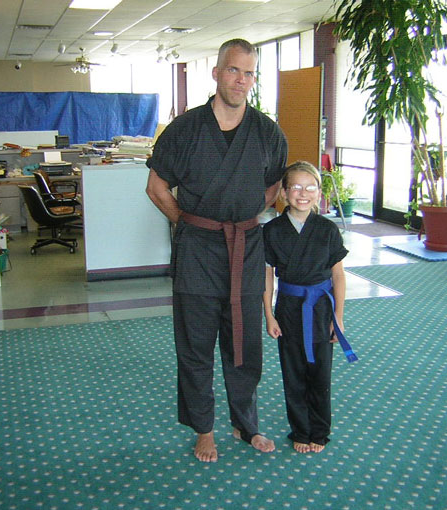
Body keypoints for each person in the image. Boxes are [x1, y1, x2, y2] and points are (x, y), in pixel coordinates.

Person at [145, 39, 288, 463]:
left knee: (245, 343)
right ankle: (203, 429)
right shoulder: (185, 129)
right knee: (195, 344)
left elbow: (273, 187)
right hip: (197, 251)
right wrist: (189, 223)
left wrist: (243, 214)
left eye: (249, 73)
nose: (241, 80)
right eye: (233, 70)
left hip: (246, 246)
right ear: (216, 72)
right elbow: (156, 188)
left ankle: (245, 424)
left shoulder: (268, 132)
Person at [262, 161, 356, 454]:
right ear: (284, 192)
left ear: (319, 193)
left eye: (310, 187)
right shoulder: (272, 230)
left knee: (320, 374)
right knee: (293, 372)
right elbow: (266, 275)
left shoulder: (328, 229)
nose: (303, 194)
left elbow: (338, 276)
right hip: (289, 308)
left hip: (321, 309)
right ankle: (300, 430)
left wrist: (338, 317)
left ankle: (320, 430)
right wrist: (269, 315)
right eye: (296, 187)